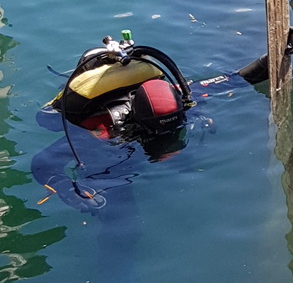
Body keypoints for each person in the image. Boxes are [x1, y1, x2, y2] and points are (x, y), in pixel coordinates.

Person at [32, 33, 272, 212]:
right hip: (115, 153)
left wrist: (274, 56)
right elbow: (42, 164)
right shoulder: (103, 128)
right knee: (122, 216)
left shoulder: (178, 94)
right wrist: (71, 193)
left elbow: (234, 79)